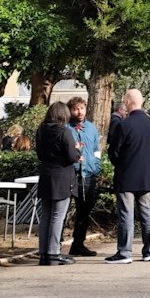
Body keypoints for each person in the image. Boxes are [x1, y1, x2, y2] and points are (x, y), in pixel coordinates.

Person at [103, 89, 150, 264]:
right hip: (145, 174)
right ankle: (149, 251)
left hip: (126, 175)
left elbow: (113, 151)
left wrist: (120, 163)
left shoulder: (123, 125)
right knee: (146, 212)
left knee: (126, 214)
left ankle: (125, 252)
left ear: (128, 101)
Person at [34, 102, 81, 266]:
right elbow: (71, 156)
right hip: (62, 178)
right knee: (57, 217)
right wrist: (77, 151)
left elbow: (39, 153)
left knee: (46, 216)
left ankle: (44, 253)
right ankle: (54, 252)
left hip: (46, 175)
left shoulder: (41, 130)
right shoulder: (65, 131)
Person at [66, 96, 101, 258]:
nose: (79, 112)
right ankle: (53, 246)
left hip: (89, 175)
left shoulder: (92, 128)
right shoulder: (66, 128)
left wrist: (96, 167)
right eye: (75, 109)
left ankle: (78, 244)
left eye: (81, 108)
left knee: (84, 211)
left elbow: (96, 149)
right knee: (64, 210)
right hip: (71, 174)